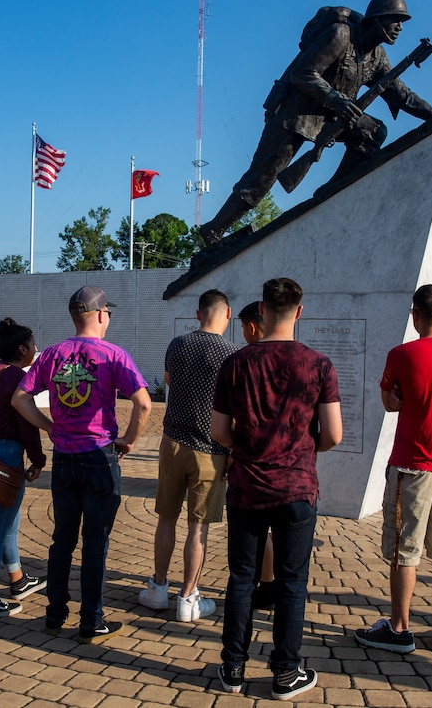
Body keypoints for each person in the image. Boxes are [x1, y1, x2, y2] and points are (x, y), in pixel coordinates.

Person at [199, 0, 432, 245]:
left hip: (331, 116)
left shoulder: (377, 56)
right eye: (395, 20)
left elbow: (399, 93)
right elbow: (302, 72)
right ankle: (214, 230)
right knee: (262, 178)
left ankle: (330, 193)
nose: (400, 28)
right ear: (377, 19)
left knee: (372, 131)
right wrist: (337, 100)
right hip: (295, 115)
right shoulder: (339, 35)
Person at [212, 278, 342, 700]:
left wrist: (248, 447)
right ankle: (286, 672)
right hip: (297, 486)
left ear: (262, 311)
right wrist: (304, 448)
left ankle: (232, 667)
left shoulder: (235, 364)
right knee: (291, 583)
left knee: (242, 579)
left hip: (248, 485)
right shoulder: (318, 364)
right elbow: (334, 434)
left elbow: (219, 431)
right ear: (299, 312)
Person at [13, 285, 152, 644]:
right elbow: (144, 403)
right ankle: (91, 619)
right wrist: (130, 440)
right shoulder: (113, 355)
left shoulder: (52, 354)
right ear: (103, 315)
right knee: (95, 541)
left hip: (65, 458)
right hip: (99, 456)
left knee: (62, 540)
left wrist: (49, 425)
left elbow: (19, 398)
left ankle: (55, 613)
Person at [354, 284, 432, 655]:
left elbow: (391, 402)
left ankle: (400, 627)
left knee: (405, 550)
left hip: (412, 465)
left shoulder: (401, 355)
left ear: (415, 316)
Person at [139, 290, 239, 622]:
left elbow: (168, 381)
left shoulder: (177, 346)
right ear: (227, 315)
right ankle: (188, 596)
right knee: (198, 527)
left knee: (166, 517)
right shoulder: (231, 354)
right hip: (212, 448)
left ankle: (158, 587)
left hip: (172, 442)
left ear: (198, 314)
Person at [0, 318, 48, 619]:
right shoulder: (16, 378)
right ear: (21, 349)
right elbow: (26, 424)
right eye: (32, 345)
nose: (36, 349)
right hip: (5, 457)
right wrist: (38, 460)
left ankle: (17, 579)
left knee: (6, 526)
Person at [236, 300, 276, 609]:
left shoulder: (240, 362)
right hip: (292, 469)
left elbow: (224, 425)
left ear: (251, 326)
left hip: (249, 467)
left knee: (253, 537)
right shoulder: (306, 361)